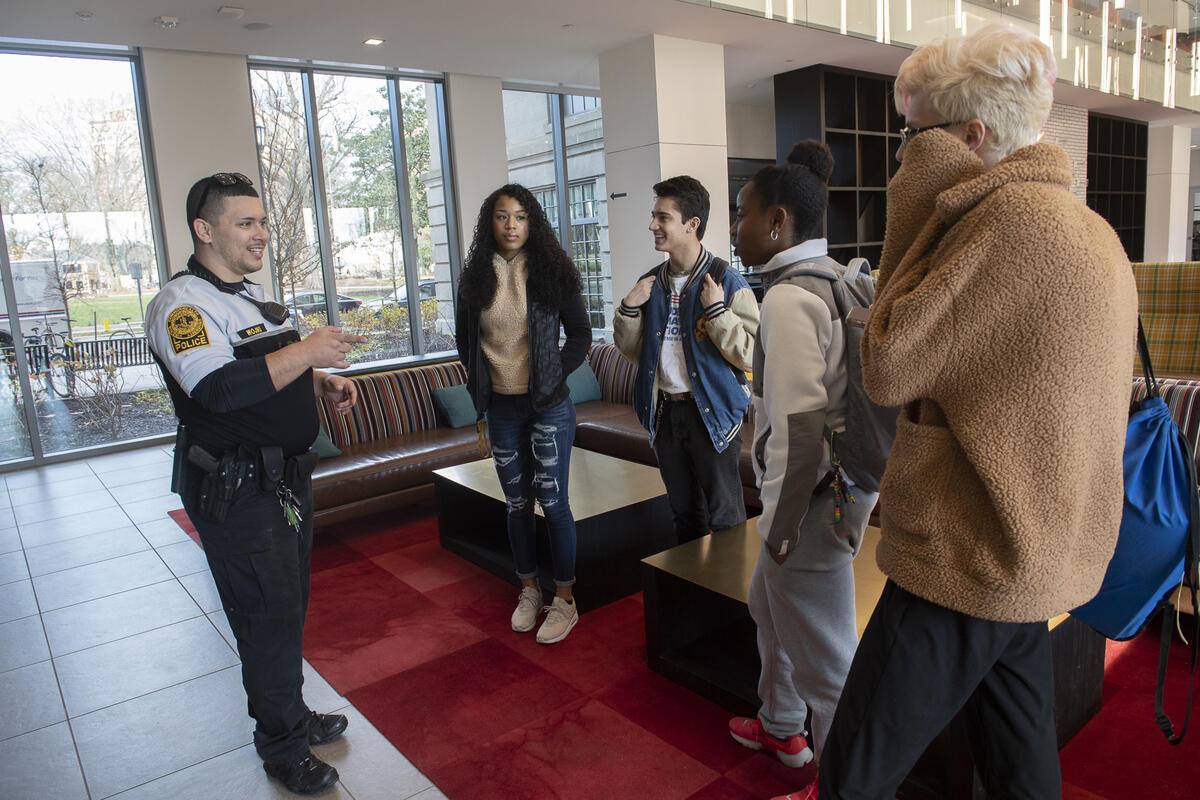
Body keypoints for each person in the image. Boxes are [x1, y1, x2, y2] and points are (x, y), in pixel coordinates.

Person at [817, 25, 1137, 800]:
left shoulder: (1005, 226)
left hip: (964, 557)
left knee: (852, 777)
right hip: (1029, 551)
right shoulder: (1090, 228)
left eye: (912, 135)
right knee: (1019, 769)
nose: (901, 155)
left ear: (969, 136)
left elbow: (887, 360)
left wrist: (918, 197)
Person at [146, 172, 367, 796]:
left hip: (283, 479)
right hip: (237, 487)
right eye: (246, 223)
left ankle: (290, 716)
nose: (261, 234)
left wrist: (319, 382)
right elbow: (215, 388)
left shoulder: (250, 298)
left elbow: (267, 372)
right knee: (265, 616)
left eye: (263, 222)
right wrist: (310, 351)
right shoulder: (182, 306)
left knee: (286, 607)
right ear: (204, 229)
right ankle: (281, 748)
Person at [724, 141, 877, 790]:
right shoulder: (837, 277)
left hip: (812, 504)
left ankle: (847, 783)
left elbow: (798, 431)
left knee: (828, 660)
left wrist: (779, 525)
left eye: (743, 214)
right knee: (768, 606)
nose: (737, 229)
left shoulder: (787, 301)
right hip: (845, 490)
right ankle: (783, 724)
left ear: (778, 221)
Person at [455, 184, 591, 645]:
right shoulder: (474, 278)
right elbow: (464, 342)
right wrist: (483, 386)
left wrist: (552, 375)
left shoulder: (553, 270)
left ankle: (566, 600)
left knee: (554, 503)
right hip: (502, 408)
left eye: (519, 216)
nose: (511, 225)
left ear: (532, 222)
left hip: (549, 406)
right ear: (489, 223)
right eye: (501, 216)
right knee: (516, 504)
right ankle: (529, 589)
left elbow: (580, 336)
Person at [613, 175, 759, 544]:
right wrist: (628, 309)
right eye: (654, 216)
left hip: (711, 414)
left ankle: (730, 601)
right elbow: (636, 353)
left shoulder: (727, 281)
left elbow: (753, 355)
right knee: (684, 516)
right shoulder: (651, 282)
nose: (652, 225)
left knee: (726, 519)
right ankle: (691, 599)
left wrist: (718, 314)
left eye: (663, 217)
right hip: (665, 415)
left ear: (692, 224)